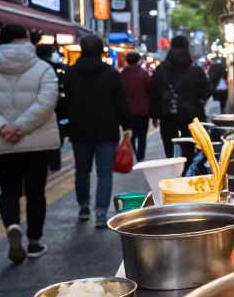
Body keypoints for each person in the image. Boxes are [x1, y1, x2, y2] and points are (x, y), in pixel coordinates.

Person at [0, 24, 60, 262]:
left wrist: (3, 128)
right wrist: (21, 127)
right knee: (35, 193)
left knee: (9, 190)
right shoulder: (43, 69)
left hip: (3, 143)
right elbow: (47, 102)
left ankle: (12, 225)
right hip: (37, 143)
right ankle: (34, 243)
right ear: (26, 40)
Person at [63, 34, 131, 227]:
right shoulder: (112, 74)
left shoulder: (70, 74)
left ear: (82, 50)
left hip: (79, 130)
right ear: (102, 51)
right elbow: (121, 102)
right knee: (104, 172)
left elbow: (65, 102)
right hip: (107, 130)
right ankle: (101, 212)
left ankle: (83, 207)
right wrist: (126, 125)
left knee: (81, 171)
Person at [149, 35, 212, 167]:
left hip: (167, 117)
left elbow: (153, 93)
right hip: (192, 117)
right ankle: (188, 173)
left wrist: (154, 115)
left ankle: (175, 173)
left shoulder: (161, 69)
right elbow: (206, 93)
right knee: (190, 151)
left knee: (170, 150)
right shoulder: (195, 69)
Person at [36, 43, 68, 172]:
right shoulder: (58, 68)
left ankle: (41, 162)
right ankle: (55, 162)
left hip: (36, 107)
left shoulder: (33, 68)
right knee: (55, 136)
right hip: (55, 108)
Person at [121, 51, 152, 160]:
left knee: (131, 136)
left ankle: (132, 154)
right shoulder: (144, 74)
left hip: (127, 111)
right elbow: (150, 91)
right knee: (142, 136)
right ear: (139, 60)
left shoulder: (123, 74)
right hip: (143, 111)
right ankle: (140, 157)